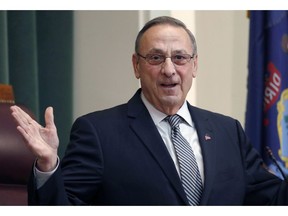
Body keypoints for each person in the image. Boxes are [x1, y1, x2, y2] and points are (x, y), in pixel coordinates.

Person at [10, 15, 288, 205]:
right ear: (136, 66)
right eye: (156, 57)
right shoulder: (98, 132)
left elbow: (272, 200)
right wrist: (48, 165)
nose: (169, 69)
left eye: (179, 57)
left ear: (194, 65)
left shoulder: (228, 131)